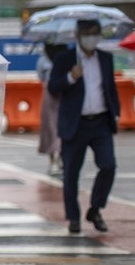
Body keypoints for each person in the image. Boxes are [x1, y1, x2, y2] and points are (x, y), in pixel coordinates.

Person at [47, 19, 120, 235]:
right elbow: (53, 87)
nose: (91, 37)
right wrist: (71, 76)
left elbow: (109, 87)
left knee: (108, 166)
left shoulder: (105, 59)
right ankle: (74, 218)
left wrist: (116, 111)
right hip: (75, 124)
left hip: (100, 122)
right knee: (71, 174)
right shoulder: (65, 59)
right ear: (78, 34)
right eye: (87, 32)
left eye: (95, 33)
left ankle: (95, 209)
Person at [36, 43, 66, 175]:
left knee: (62, 127)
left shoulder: (66, 58)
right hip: (49, 94)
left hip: (64, 94)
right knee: (49, 127)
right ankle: (52, 160)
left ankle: (61, 160)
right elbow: (41, 76)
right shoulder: (44, 60)